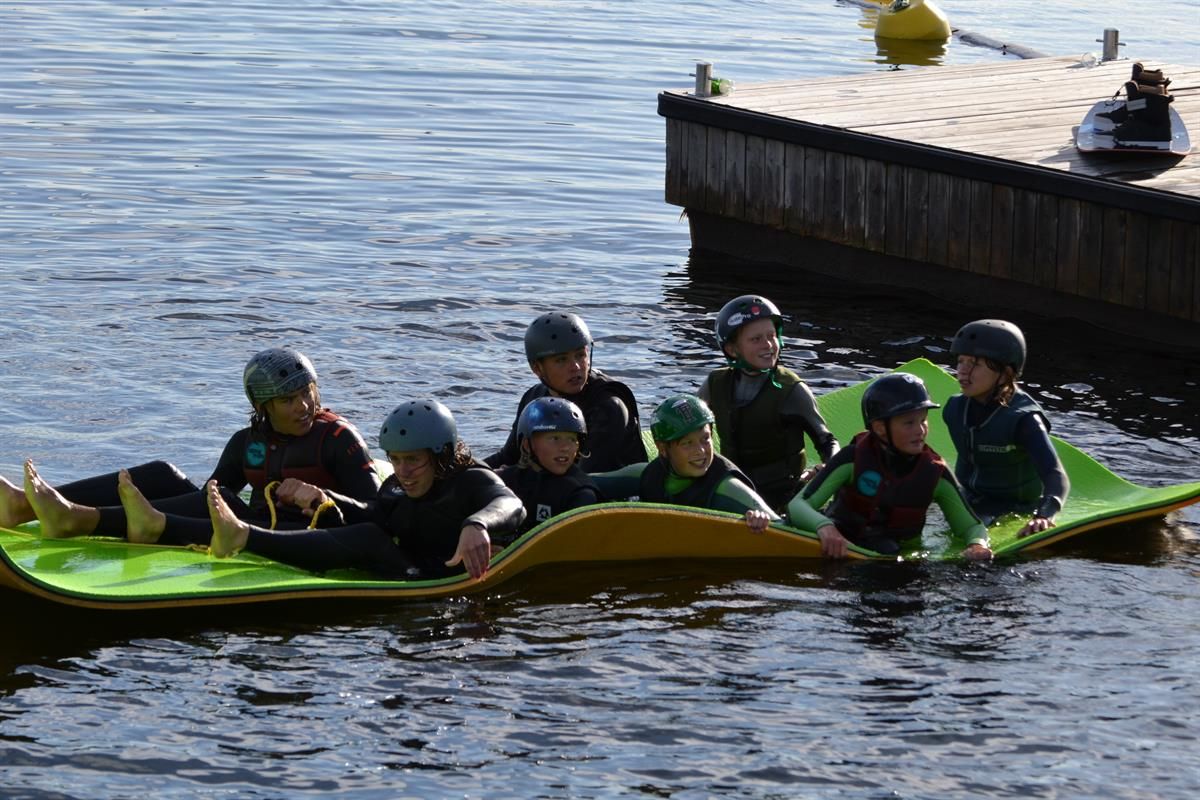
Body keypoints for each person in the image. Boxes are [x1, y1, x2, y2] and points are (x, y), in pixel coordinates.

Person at [6, 348, 381, 544]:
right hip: (256, 521)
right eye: (288, 400)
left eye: (307, 393)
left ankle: (78, 519)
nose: (303, 406)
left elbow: (377, 513)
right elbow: (207, 498)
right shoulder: (246, 442)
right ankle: (25, 506)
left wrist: (321, 497)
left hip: (302, 535)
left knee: (223, 501)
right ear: (262, 406)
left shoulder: (338, 440)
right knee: (164, 474)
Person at [205, 399, 525, 580]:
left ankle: (244, 537)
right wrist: (325, 498)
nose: (403, 471)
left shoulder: (470, 479)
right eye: (395, 460)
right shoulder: (396, 486)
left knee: (368, 538)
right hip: (408, 566)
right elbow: (374, 514)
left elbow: (511, 504)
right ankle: (242, 534)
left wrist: (477, 524)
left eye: (413, 460)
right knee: (352, 526)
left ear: (441, 454)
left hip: (439, 576)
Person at [788, 372, 993, 561]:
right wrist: (824, 527)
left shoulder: (934, 472)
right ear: (880, 428)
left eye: (923, 420)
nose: (920, 430)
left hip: (897, 562)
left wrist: (977, 544)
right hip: (841, 547)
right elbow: (798, 505)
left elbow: (971, 526)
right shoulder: (853, 458)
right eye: (909, 423)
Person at [698, 294, 839, 512]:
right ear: (732, 349)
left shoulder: (792, 390)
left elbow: (827, 442)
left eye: (771, 336)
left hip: (783, 496)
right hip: (733, 488)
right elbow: (690, 426)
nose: (768, 345)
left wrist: (829, 468)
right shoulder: (714, 383)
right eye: (756, 339)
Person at [945, 319, 1069, 538]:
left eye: (974, 364)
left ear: (1004, 373)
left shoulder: (1024, 420)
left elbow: (1055, 474)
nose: (962, 371)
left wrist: (1045, 515)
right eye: (961, 361)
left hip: (1014, 509)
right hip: (967, 500)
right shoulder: (953, 409)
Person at [486, 311, 645, 472]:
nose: (575, 366)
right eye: (561, 359)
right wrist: (473, 469)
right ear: (537, 368)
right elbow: (507, 457)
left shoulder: (609, 406)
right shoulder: (534, 399)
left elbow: (583, 476)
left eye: (580, 355)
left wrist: (510, 476)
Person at [590, 394, 777, 531]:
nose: (700, 451)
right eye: (687, 443)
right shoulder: (648, 474)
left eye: (705, 439)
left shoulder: (727, 487)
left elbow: (781, 525)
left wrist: (761, 518)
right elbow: (589, 481)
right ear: (662, 448)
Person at [493, 396, 601, 535]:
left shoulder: (581, 494)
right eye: (555, 438)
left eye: (572, 439)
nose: (565, 447)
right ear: (527, 445)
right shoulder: (506, 479)